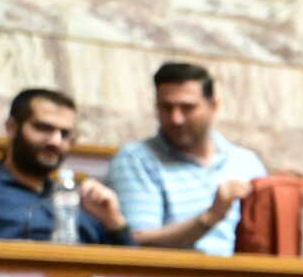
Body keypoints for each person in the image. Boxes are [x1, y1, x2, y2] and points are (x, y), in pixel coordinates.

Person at [0, 88, 130, 244]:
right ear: (12, 127)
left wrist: (115, 222)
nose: (55, 141)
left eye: (65, 134)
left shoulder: (84, 203)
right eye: (43, 128)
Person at [105, 61, 270, 254]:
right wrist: (211, 217)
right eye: (166, 108)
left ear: (213, 106)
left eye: (187, 108)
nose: (176, 119)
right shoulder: (136, 159)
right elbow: (135, 243)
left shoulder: (246, 162)